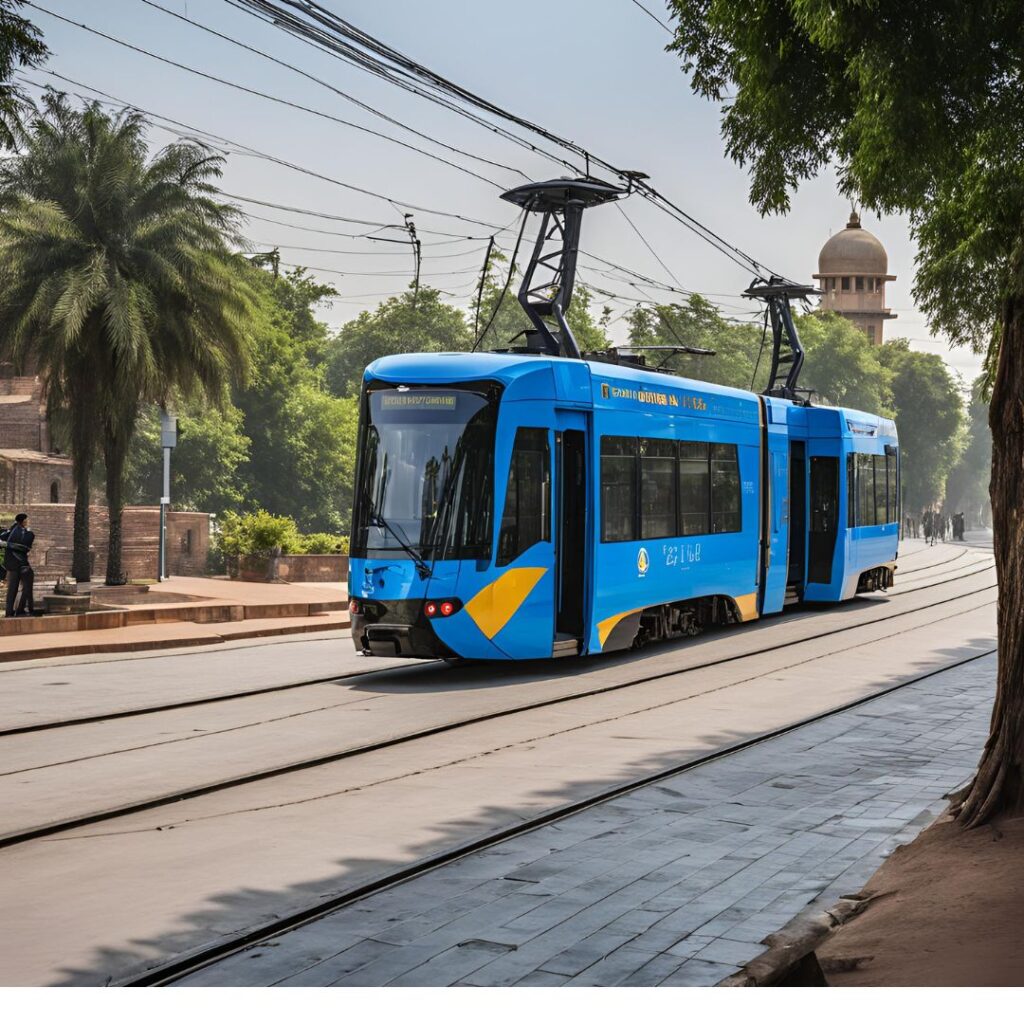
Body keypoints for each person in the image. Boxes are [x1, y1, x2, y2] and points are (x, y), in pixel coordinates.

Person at [2, 512, 35, 617]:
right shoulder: (21, 532)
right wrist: (10, 530)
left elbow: (25, 548)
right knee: (17, 589)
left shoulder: (27, 533)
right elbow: (25, 548)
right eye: (27, 519)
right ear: (24, 521)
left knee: (20, 588)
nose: (28, 521)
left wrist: (7, 544)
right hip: (17, 564)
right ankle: (14, 611)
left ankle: (16, 610)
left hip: (16, 564)